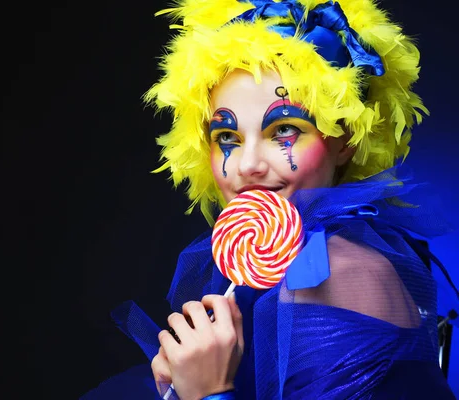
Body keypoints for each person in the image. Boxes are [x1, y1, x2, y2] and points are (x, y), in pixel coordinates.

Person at [81, 0, 458, 398]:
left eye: (283, 131)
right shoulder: (271, 263)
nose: (248, 165)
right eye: (227, 138)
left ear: (344, 139)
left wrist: (211, 392)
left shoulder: (342, 273)